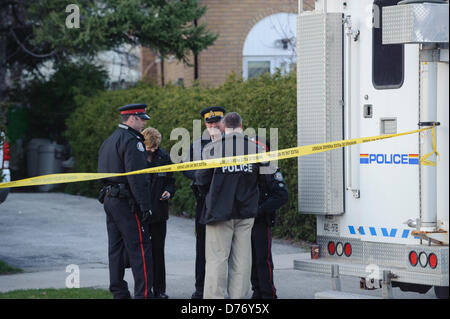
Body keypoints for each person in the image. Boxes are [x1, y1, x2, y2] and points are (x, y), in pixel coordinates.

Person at [195, 112, 265, 299]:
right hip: (246, 211)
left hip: (219, 211)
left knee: (217, 259)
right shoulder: (255, 149)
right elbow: (264, 179)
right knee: (242, 261)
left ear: (223, 127)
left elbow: (201, 180)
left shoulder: (213, 148)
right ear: (242, 126)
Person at [97, 103, 153, 299]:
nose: (144, 123)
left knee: (116, 248)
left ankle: (119, 292)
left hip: (110, 198)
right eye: (142, 119)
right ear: (132, 119)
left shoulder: (110, 140)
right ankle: (144, 294)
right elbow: (137, 177)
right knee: (140, 247)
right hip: (126, 201)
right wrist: (145, 206)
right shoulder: (132, 141)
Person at [183, 106, 225, 299]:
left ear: (223, 122)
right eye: (210, 123)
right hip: (204, 200)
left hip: (228, 202)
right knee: (202, 247)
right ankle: (201, 288)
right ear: (205, 124)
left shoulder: (235, 142)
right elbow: (185, 167)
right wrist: (200, 178)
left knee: (228, 248)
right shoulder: (198, 144)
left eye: (217, 122)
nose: (214, 125)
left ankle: (226, 289)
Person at [249, 137, 288, 299]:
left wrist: (260, 210)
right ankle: (257, 291)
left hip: (261, 221)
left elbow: (282, 195)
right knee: (251, 260)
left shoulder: (270, 169)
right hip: (246, 220)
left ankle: (268, 294)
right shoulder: (249, 168)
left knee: (262, 260)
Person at [141, 127, 175, 299]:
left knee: (158, 252)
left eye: (155, 147)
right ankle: (144, 290)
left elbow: (171, 181)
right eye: (150, 148)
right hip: (142, 214)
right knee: (143, 253)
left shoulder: (164, 157)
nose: (153, 150)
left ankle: (160, 290)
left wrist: (169, 191)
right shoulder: (136, 157)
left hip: (160, 213)